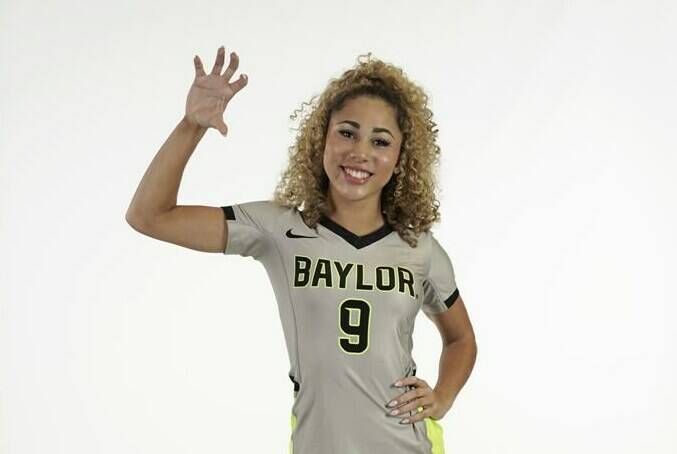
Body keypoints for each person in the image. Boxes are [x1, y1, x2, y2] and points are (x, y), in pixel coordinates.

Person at [126, 45, 477, 454]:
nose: (360, 152)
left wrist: (443, 396)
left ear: (400, 158)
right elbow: (149, 215)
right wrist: (191, 125)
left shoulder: (420, 250)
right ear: (321, 138)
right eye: (347, 132)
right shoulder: (277, 229)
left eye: (380, 141)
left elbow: (462, 339)